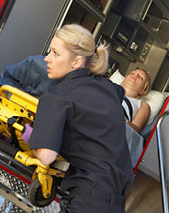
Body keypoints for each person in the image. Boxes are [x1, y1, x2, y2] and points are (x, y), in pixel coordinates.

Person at [27, 24, 134, 212]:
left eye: (55, 53)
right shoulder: (110, 89)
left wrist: (32, 135)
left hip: (87, 199)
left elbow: (46, 156)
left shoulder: (57, 97)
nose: (47, 58)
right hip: (114, 202)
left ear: (76, 62)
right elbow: (117, 95)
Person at [120, 69, 151, 133]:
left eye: (141, 77)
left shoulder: (143, 105)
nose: (135, 75)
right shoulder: (109, 88)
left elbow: (135, 130)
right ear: (124, 80)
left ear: (143, 90)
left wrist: (120, 118)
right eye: (132, 73)